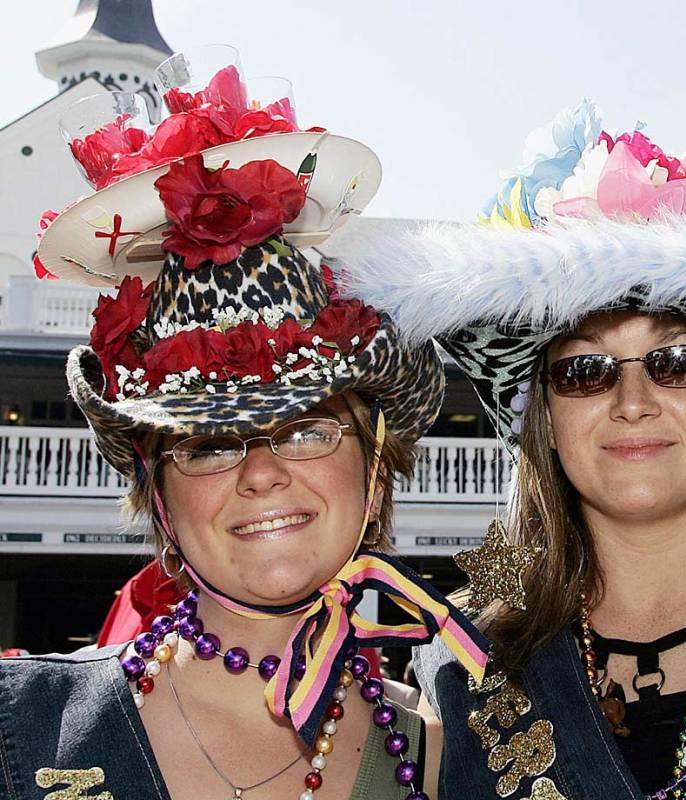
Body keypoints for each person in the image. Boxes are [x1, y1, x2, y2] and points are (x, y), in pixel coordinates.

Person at [342, 99, 686, 799]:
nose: (632, 402)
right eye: (584, 371)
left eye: (681, 362)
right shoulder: (465, 673)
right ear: (546, 417)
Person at [0, 56, 487, 800]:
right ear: (155, 487)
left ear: (375, 461)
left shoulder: (451, 757)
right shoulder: (23, 727)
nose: (260, 473)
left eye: (304, 429)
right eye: (207, 444)